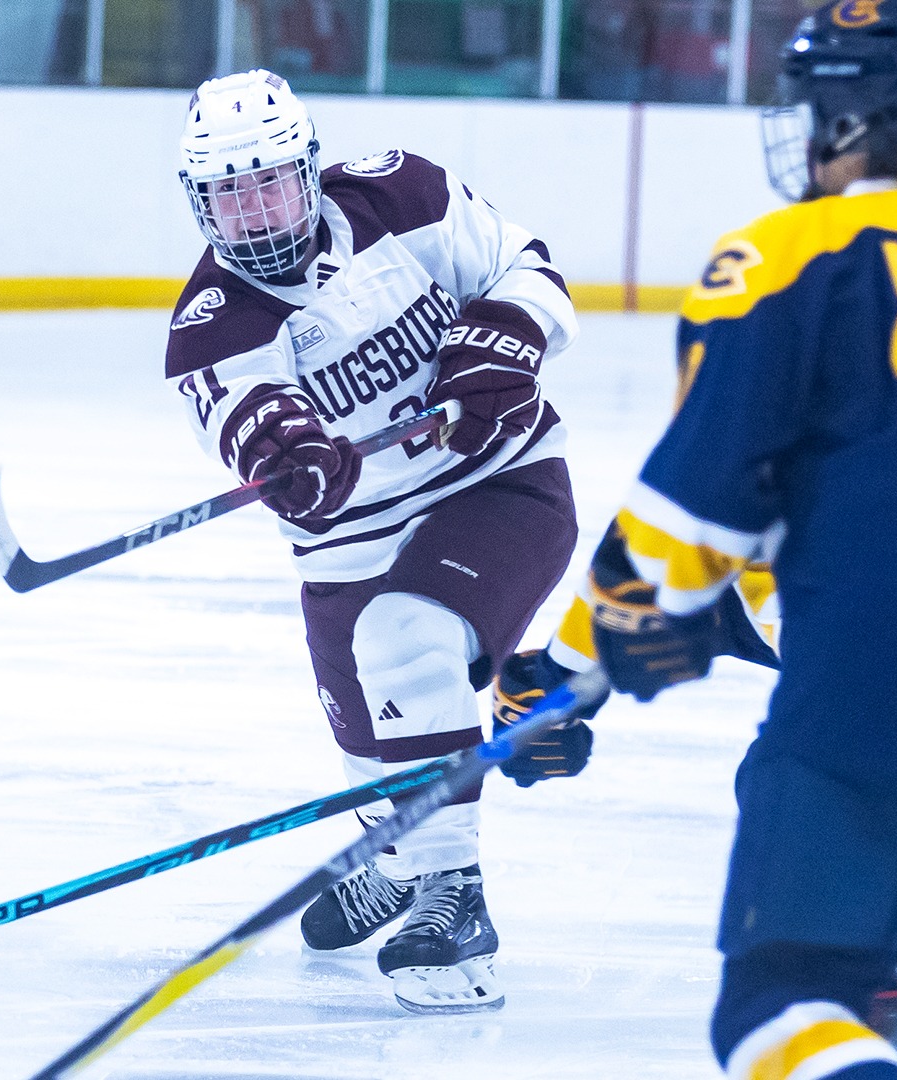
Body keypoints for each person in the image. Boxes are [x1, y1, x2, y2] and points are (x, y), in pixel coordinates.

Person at [584, 0, 897, 1075]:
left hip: (894, 679)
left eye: (828, 111)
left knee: (778, 1003)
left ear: (879, 122)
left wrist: (593, 652)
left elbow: (687, 523)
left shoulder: (795, 253)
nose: (808, 135)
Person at [164, 69, 580, 1012]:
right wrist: (290, 454)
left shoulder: (404, 192)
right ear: (200, 205)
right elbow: (248, 417)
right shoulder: (207, 331)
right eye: (229, 195)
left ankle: (454, 899)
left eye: (268, 182)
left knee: (405, 644)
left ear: (309, 170)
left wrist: (506, 337)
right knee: (376, 751)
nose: (255, 213)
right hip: (351, 549)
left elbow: (531, 269)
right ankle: (397, 854)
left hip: (500, 486)